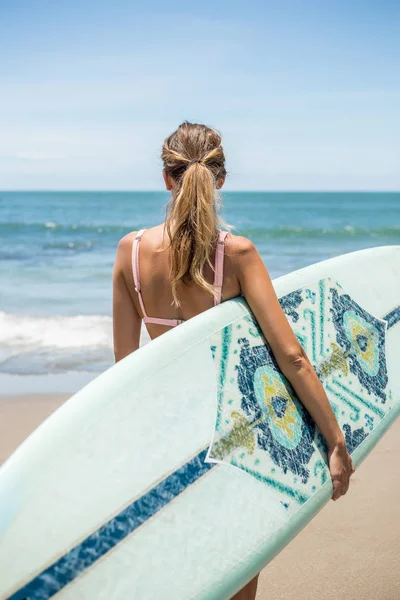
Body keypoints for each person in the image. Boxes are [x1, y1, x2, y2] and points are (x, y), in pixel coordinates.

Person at [112, 121, 355, 600]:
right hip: (232, 433)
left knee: (185, 566)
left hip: (165, 435)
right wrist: (335, 439)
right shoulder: (236, 255)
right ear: (220, 178)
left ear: (167, 177)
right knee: (236, 571)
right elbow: (293, 356)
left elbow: (125, 369)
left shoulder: (130, 251)